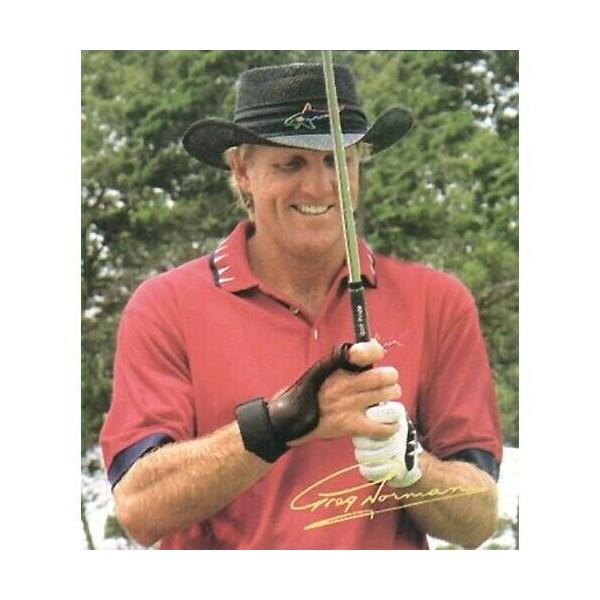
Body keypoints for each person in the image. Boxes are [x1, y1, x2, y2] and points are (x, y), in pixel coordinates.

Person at [100, 62, 503, 550]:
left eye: (337, 161)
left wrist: (412, 467)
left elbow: (479, 518)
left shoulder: (438, 302)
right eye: (291, 164)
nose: (318, 187)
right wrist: (276, 426)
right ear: (242, 171)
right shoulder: (164, 306)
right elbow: (140, 509)